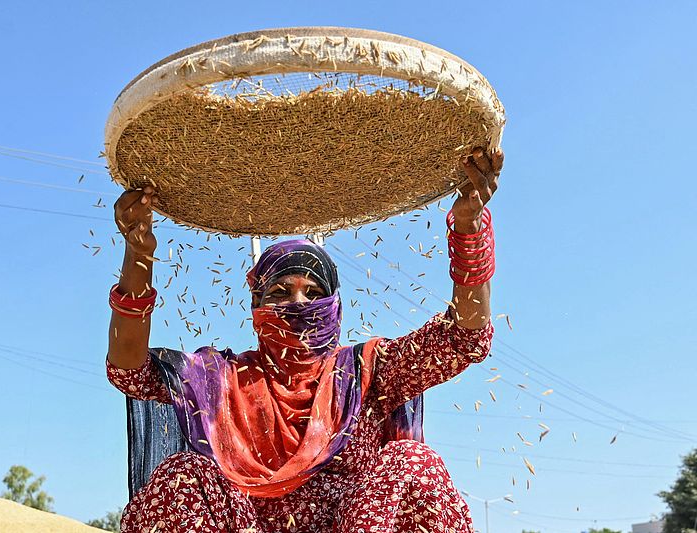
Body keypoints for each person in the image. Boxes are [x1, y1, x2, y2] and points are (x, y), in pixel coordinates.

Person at [106, 148, 503, 532]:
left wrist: (468, 229)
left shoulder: (367, 371)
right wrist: (137, 253)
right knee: (185, 475)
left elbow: (464, 339)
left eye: (313, 294)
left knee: (412, 462)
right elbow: (129, 370)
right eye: (280, 293)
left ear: (334, 305)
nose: (298, 304)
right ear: (256, 307)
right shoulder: (221, 379)